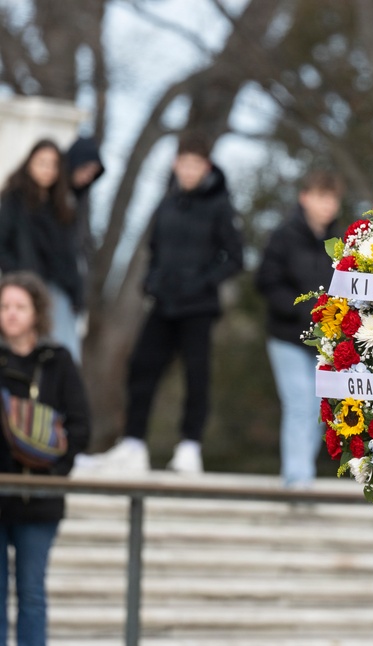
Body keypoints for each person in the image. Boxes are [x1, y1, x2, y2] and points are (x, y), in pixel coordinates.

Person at [75, 132, 243, 475]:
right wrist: (151, 281)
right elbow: (154, 249)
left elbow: (235, 258)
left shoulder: (220, 205)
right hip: (163, 304)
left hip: (198, 306)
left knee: (197, 376)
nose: (190, 170)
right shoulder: (166, 202)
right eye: (184, 163)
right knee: (141, 367)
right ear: (175, 164)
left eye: (196, 165)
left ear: (206, 166)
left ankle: (189, 447)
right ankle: (133, 443)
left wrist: (203, 281)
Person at [0, 271, 90, 646]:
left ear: (37, 311)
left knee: (33, 593)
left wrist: (55, 473)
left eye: (20, 306)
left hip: (41, 500)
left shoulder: (58, 361)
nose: (11, 314)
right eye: (4, 306)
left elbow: (81, 423)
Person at [256, 170, 344, 489]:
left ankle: (301, 472)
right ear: (304, 197)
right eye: (322, 197)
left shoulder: (339, 243)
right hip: (287, 337)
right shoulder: (283, 236)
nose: (328, 205)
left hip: (325, 342)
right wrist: (301, 311)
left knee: (320, 407)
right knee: (300, 402)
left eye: (333, 198)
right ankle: (297, 477)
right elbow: (266, 281)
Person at [0, 139, 85, 362]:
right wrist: (19, 280)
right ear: (29, 163)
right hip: (26, 289)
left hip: (58, 291)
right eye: (42, 162)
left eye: (53, 164)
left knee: (63, 355)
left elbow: (71, 255)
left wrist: (77, 291)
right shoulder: (13, 201)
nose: (47, 169)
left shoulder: (64, 207)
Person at [65, 135, 105, 311]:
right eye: (86, 170)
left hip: (71, 282)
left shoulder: (82, 199)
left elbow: (84, 242)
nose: (88, 177)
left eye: (92, 174)